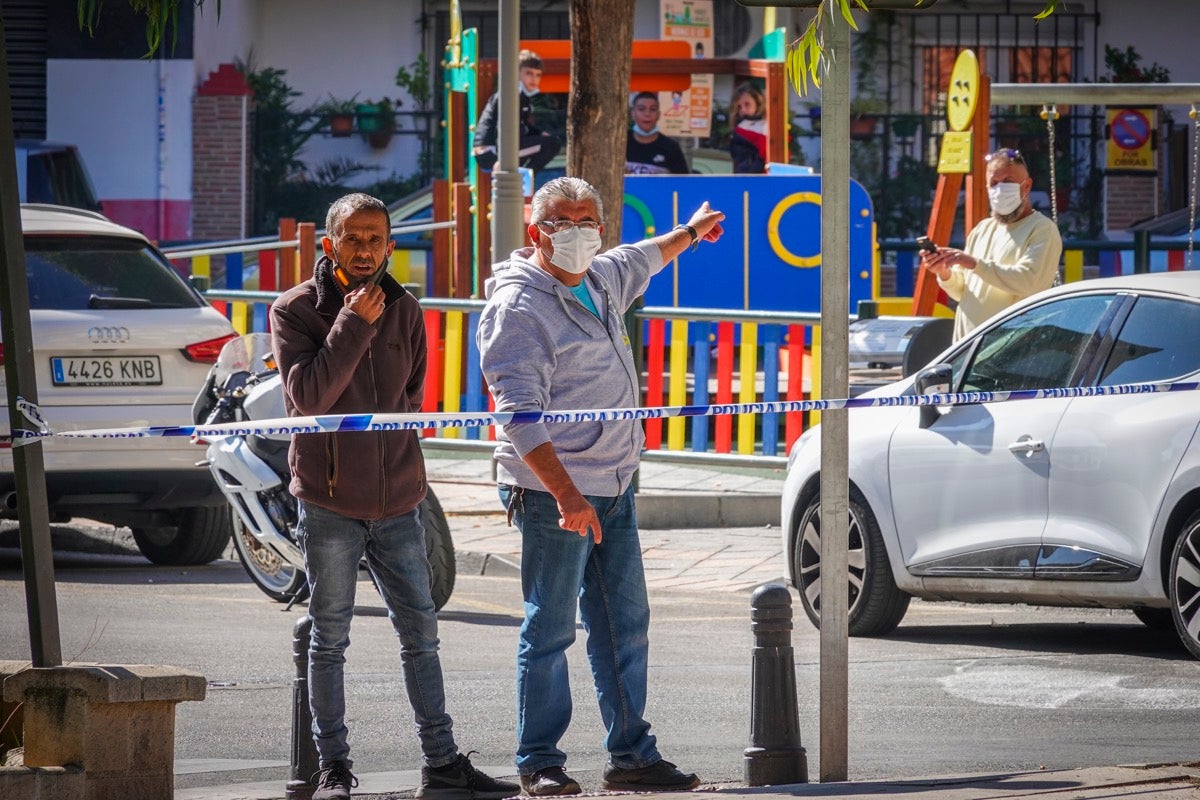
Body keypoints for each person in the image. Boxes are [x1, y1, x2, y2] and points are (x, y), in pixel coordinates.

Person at [477, 177, 725, 797]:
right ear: (537, 232)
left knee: (625, 624)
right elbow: (519, 415)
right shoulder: (518, 309)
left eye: (590, 221)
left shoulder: (599, 278)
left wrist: (693, 231)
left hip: (615, 482)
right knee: (551, 627)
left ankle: (632, 757)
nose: (582, 233)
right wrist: (567, 498)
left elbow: (646, 254)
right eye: (566, 222)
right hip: (553, 494)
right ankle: (539, 760)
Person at [270, 193, 519, 800]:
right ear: (327, 245)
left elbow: (411, 395)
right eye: (352, 238)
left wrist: (399, 465)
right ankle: (333, 768)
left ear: (390, 245)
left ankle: (442, 763)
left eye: (376, 239)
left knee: (422, 635)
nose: (364, 250)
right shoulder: (296, 310)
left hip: (402, 499)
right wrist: (353, 323)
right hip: (330, 501)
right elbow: (309, 398)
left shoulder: (406, 307)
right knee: (330, 637)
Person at [921, 148, 1064, 341]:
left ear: (1027, 186)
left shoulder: (1042, 229)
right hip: (968, 348)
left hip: (1012, 349)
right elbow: (962, 291)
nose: (1000, 189)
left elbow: (1029, 282)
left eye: (1008, 182)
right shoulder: (982, 229)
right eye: (993, 183)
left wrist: (972, 263)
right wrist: (943, 272)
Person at [473, 49, 561, 172]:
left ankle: (523, 175)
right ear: (516, 73)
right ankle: (527, 178)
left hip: (499, 148)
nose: (534, 79)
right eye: (529, 73)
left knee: (546, 141)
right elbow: (502, 126)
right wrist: (502, 159)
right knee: (552, 144)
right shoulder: (511, 94)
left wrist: (539, 133)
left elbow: (523, 124)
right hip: (490, 151)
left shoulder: (522, 95)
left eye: (538, 75)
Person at [625, 91, 690, 175]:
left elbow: (683, 183)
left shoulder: (671, 147)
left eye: (653, 109)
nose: (647, 114)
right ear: (633, 114)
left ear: (658, 115)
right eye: (641, 109)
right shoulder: (621, 142)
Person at [729, 82, 767, 174]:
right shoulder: (741, 130)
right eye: (739, 107)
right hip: (751, 176)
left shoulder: (766, 124)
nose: (743, 110)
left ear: (758, 102)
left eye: (747, 104)